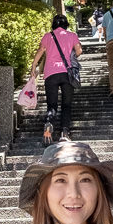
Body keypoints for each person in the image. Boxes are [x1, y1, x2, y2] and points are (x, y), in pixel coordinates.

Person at [30, 13, 83, 145]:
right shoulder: (72, 36)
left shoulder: (48, 36)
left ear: (54, 24)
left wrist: (34, 65)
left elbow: (40, 51)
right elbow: (79, 51)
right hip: (67, 73)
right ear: (66, 25)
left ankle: (48, 127)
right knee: (66, 104)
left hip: (51, 74)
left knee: (52, 105)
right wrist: (71, 56)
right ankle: (64, 133)